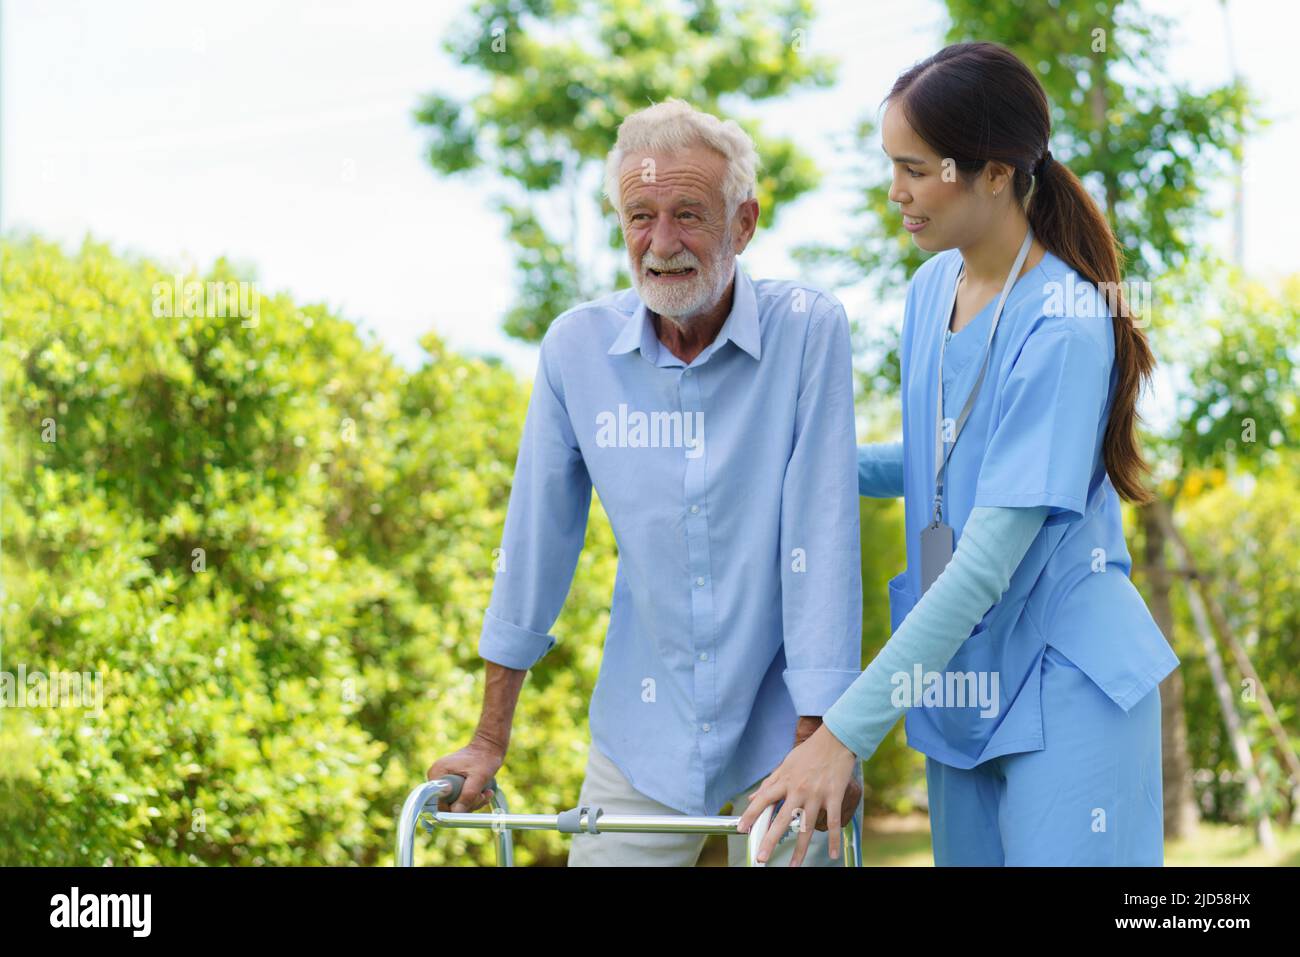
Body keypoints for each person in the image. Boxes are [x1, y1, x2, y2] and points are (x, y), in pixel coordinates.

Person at [738, 41, 1180, 867]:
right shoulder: (928, 291)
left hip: (1067, 679)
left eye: (914, 169)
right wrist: (796, 465)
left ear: (996, 174)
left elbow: (983, 565)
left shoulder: (1064, 323)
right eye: (889, 165)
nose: (894, 191)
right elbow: (942, 461)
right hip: (958, 683)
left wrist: (844, 732)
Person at [426, 99, 864, 866]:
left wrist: (822, 736)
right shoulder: (576, 348)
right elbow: (534, 546)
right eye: (640, 216)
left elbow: (822, 539)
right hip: (644, 728)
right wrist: (488, 737)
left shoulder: (808, 330)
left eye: (689, 214)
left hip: (786, 723)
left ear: (744, 223)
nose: (661, 244)